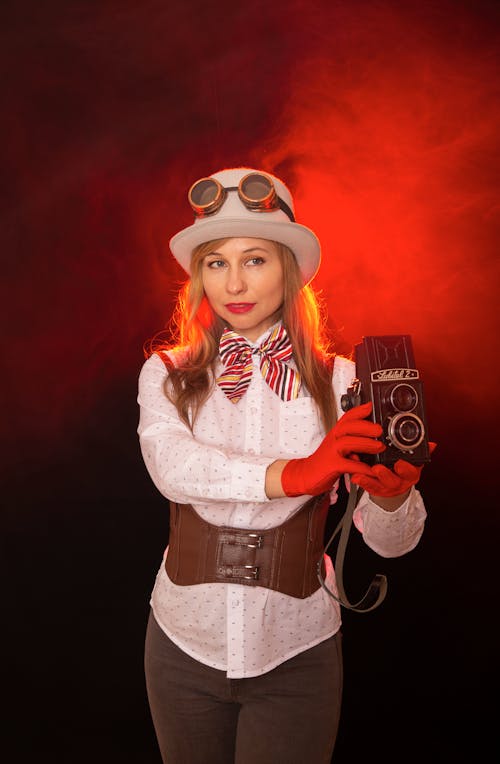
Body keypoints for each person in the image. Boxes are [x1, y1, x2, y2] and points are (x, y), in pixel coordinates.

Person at [137, 167, 431, 764]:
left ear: (289, 270)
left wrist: (394, 497)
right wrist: (298, 472)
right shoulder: (165, 373)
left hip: (297, 653)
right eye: (216, 262)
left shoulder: (344, 380)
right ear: (199, 278)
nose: (234, 282)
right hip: (182, 644)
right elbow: (172, 467)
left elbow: (390, 545)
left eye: (256, 260)